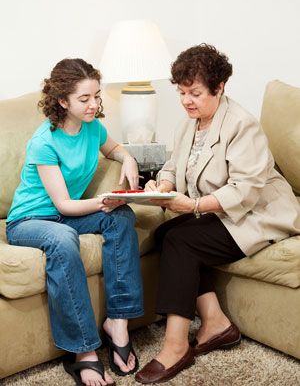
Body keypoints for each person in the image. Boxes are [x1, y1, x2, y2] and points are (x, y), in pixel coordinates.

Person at [135, 44, 300, 384]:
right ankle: (215, 324)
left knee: (181, 241)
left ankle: (176, 345)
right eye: (182, 93)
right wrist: (162, 186)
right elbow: (172, 164)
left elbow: (245, 190)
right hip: (219, 212)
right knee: (167, 233)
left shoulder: (242, 124)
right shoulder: (188, 124)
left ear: (219, 87)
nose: (186, 101)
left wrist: (193, 206)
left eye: (194, 93)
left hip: (259, 212)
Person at [6, 58, 143, 386]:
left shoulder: (93, 128)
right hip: (30, 220)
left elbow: (115, 149)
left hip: (67, 216)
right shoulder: (44, 141)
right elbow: (63, 205)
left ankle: (118, 323)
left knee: (121, 217)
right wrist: (103, 200)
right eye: (85, 99)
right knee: (61, 238)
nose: (94, 104)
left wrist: (129, 159)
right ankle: (83, 351)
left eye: (96, 96)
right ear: (62, 101)